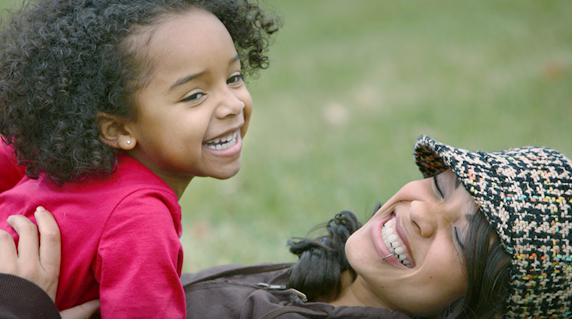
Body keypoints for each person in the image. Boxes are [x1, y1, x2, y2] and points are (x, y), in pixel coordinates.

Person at [2, 135, 571, 318]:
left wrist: (21, 300)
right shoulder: (322, 287)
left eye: (462, 236)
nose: (422, 212)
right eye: (443, 187)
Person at [0, 0, 277, 317]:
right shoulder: (139, 219)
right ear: (117, 128)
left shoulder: (53, 156)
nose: (232, 104)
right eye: (194, 95)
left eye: (233, 78)